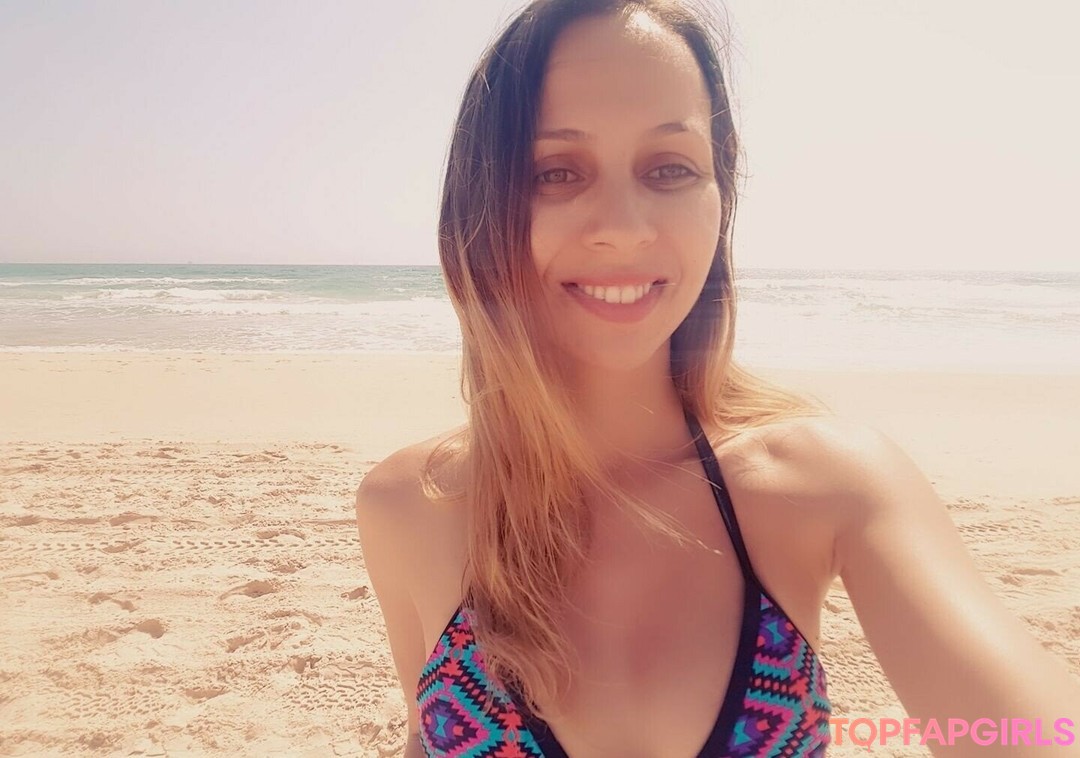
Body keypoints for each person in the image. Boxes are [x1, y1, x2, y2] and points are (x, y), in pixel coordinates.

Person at [355, 1, 1080, 756]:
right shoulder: (407, 506)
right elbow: (424, 738)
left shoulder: (827, 483)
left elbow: (1033, 732)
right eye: (556, 172)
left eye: (670, 169)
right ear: (478, 205)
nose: (625, 227)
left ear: (719, 197)